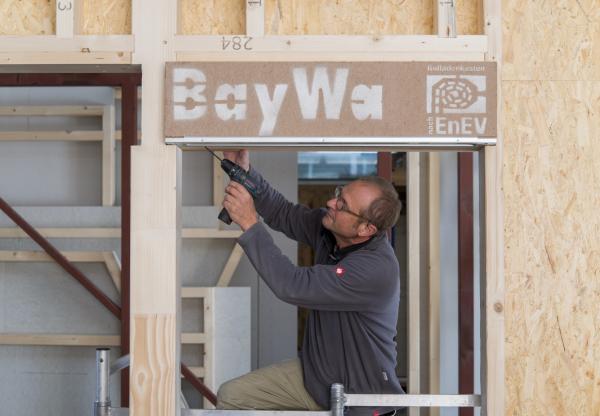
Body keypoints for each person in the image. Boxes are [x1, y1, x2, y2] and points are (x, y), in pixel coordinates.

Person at [216, 150, 404, 416]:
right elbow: (283, 213)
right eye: (339, 194)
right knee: (233, 397)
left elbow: (292, 284)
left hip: (359, 399)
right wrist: (246, 176)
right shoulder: (332, 230)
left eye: (343, 206)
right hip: (318, 377)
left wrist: (249, 223)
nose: (331, 202)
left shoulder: (374, 270)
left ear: (366, 230)